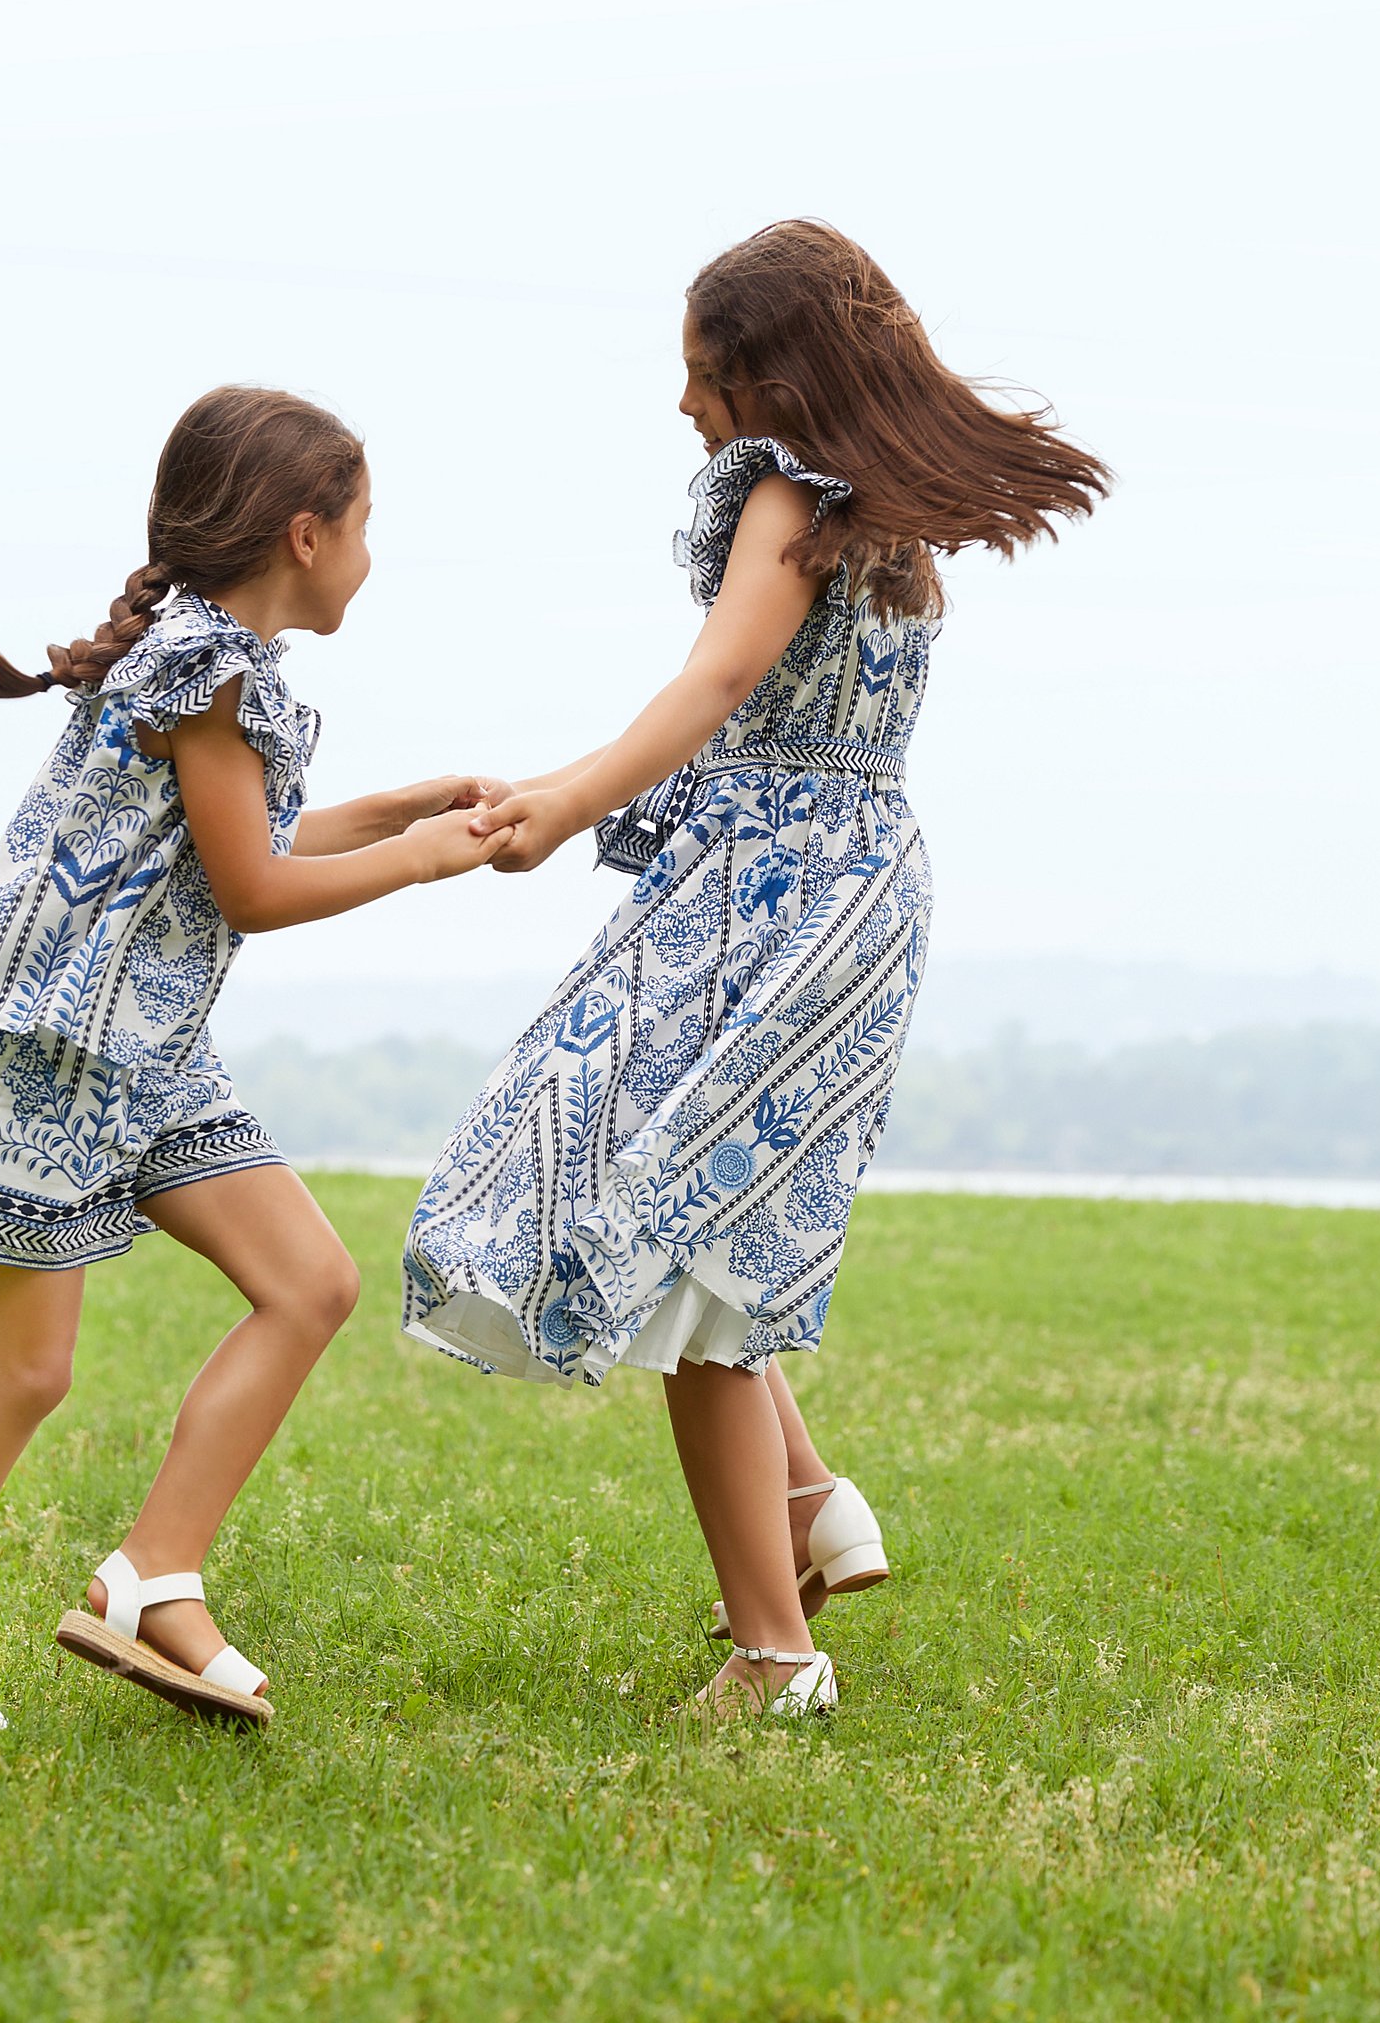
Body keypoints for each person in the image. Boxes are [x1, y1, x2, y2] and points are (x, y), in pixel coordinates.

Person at [403, 220, 1108, 1717]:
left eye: (702, 376)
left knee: (688, 1255)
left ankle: (777, 1656)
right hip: (848, 886)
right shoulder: (891, 518)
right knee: (701, 1211)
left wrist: (561, 802)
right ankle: (813, 1507)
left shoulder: (791, 498)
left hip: (768, 895)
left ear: (772, 376)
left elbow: (718, 680)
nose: (683, 408)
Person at [0, 386, 512, 1731]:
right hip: (51, 1053)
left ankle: (153, 1574)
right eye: (369, 526)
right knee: (30, 1372)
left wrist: (407, 806)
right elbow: (255, 887)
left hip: (152, 1054)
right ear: (307, 533)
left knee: (311, 1281)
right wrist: (424, 863)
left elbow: (256, 840)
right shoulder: (200, 669)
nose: (375, 557)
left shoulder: (221, 667)